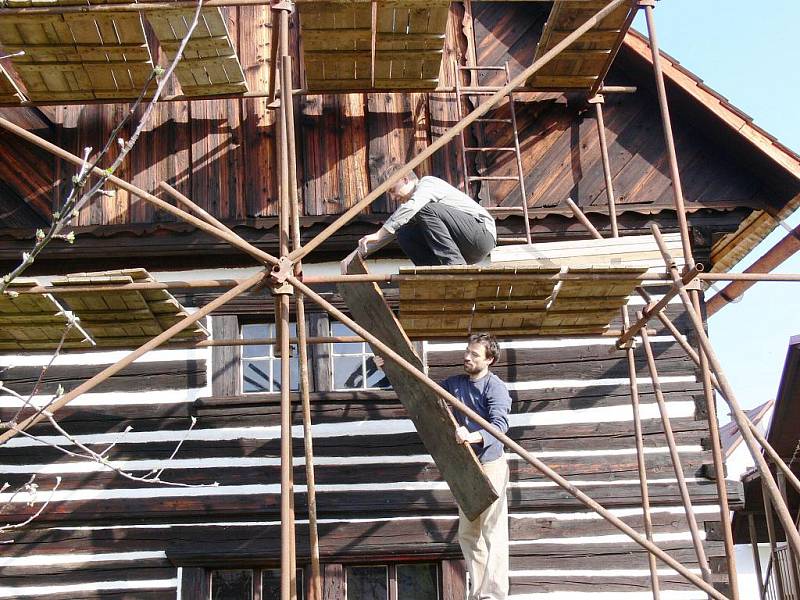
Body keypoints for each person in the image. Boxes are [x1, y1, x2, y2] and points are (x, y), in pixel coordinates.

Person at [442, 332, 511, 600]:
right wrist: (385, 368)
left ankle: (494, 593)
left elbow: (500, 426)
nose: (466, 357)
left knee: (492, 529)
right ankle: (481, 592)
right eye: (467, 351)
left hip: (490, 462)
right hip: (467, 468)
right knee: (468, 533)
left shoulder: (495, 388)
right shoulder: (456, 384)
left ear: (490, 360)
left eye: (474, 354)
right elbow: (423, 390)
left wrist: (473, 435)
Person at [350, 161, 497, 266]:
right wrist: (353, 257)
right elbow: (391, 230)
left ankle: (455, 265)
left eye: (393, 191)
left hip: (482, 236)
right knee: (403, 232)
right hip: (464, 247)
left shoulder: (427, 183)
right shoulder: (414, 207)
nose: (393, 198)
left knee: (424, 209)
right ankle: (432, 271)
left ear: (405, 179)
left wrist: (378, 234)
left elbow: (411, 207)